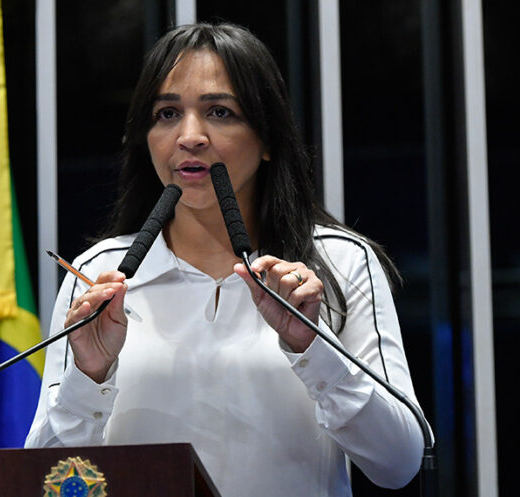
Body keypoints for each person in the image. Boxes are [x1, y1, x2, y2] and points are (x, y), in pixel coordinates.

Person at [26, 22, 428, 496]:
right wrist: (89, 375)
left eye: (219, 111)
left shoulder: (339, 261)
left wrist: (311, 349)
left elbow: (399, 464)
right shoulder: (96, 274)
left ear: (268, 140)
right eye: (167, 113)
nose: (189, 136)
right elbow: (45, 484)